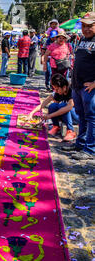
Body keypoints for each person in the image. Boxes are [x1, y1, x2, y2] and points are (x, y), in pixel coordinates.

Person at [61, 12, 95, 160]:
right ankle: (80, 144)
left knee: (91, 117)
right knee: (81, 116)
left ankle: (90, 149)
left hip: (90, 87)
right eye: (84, 26)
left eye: (90, 26)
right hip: (78, 86)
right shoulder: (82, 40)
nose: (86, 29)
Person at [28, 73, 78, 141]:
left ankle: (70, 131)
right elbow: (44, 102)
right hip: (67, 116)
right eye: (55, 89)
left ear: (64, 87)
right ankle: (56, 126)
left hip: (77, 116)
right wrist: (32, 113)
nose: (56, 91)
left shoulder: (72, 91)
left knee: (62, 105)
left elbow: (69, 107)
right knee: (53, 106)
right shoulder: (58, 92)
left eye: (57, 89)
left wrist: (49, 116)